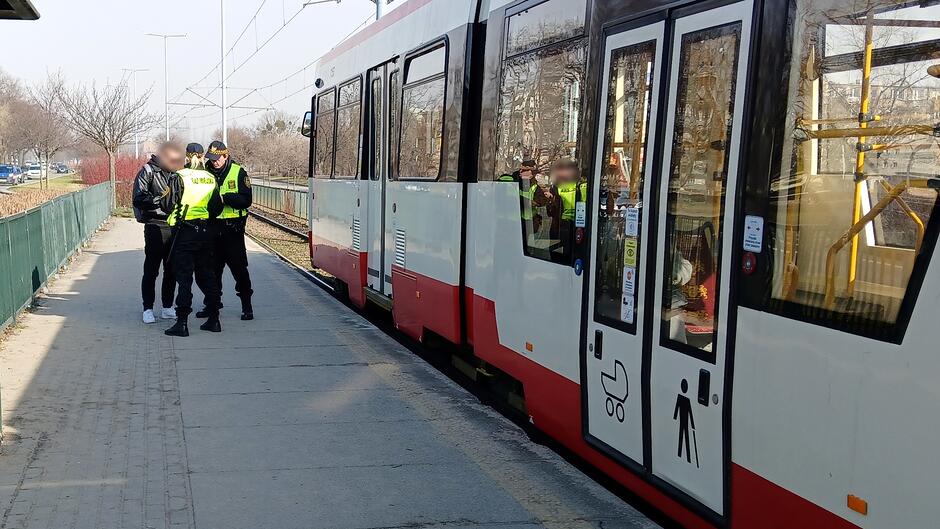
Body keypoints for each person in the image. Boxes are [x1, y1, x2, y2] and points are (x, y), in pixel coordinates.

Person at [161, 145, 224, 337]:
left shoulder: (180, 176)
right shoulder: (210, 178)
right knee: (208, 276)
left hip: (184, 232)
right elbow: (217, 208)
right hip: (205, 232)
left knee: (184, 278)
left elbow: (166, 204)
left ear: (186, 157)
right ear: (202, 156)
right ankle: (214, 320)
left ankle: (182, 323)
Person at [199, 140, 254, 321]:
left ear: (225, 156)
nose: (214, 161)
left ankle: (247, 306)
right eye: (211, 158)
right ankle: (212, 305)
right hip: (212, 227)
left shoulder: (238, 172)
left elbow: (246, 200)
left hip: (233, 229)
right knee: (212, 271)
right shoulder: (205, 173)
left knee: (239, 269)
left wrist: (224, 198)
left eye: (217, 158)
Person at [132, 142, 184, 324]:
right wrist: (160, 201)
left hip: (173, 225)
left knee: (171, 270)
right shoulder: (148, 171)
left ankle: (167, 307)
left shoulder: (177, 173)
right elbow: (138, 198)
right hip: (154, 225)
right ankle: (147, 308)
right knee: (151, 270)